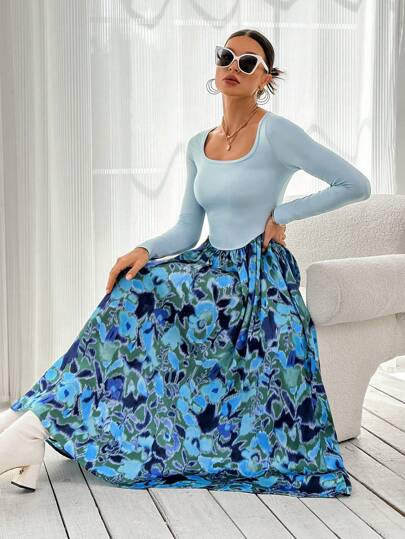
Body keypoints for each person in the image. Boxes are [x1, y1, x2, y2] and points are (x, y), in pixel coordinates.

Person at [0, 28, 370, 497]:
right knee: (134, 286)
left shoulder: (276, 132)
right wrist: (143, 249)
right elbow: (186, 230)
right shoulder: (199, 143)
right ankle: (32, 423)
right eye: (226, 56)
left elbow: (355, 184)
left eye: (248, 63)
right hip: (210, 264)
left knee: (142, 297)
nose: (233, 67)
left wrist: (283, 214)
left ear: (265, 79)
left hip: (255, 276)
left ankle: (28, 425)